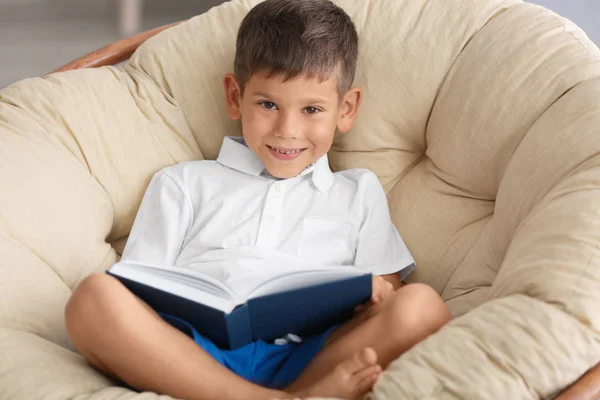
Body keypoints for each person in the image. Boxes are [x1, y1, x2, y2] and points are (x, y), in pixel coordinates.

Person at [64, 1, 450, 399]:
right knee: (93, 298)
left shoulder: (358, 191)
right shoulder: (182, 183)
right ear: (235, 96)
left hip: (309, 352)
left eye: (312, 109)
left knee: (422, 306)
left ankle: (290, 391)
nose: (287, 130)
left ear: (346, 109)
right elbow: (140, 287)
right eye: (268, 105)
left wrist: (371, 294)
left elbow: (386, 295)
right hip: (195, 354)